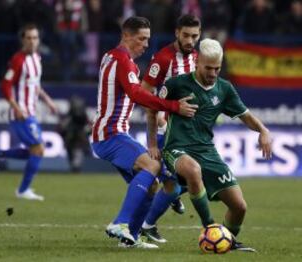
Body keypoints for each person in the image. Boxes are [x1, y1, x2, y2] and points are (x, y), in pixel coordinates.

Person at [90, 16, 197, 249]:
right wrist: (171, 106)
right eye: (141, 39)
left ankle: (131, 239)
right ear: (126, 35)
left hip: (114, 133)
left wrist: (157, 110)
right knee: (153, 166)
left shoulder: (112, 56)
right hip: (110, 133)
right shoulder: (122, 60)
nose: (146, 44)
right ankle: (120, 223)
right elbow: (136, 94)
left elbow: (132, 93)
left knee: (152, 184)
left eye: (148, 39)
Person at [160, 38, 272, 251]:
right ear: (197, 62)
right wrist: (152, 141)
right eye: (208, 68)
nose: (213, 73)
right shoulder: (176, 84)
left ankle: (226, 242)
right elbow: (152, 107)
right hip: (177, 148)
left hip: (206, 150)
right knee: (193, 170)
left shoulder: (224, 89)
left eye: (217, 68)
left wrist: (264, 131)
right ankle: (210, 227)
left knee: (239, 207)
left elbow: (246, 116)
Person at [140, 14, 201, 243]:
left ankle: (170, 197)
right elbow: (144, 95)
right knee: (174, 184)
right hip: (168, 131)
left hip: (189, 132)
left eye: (194, 36)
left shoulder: (196, 57)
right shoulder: (163, 59)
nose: (190, 40)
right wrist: (153, 141)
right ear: (177, 33)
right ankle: (146, 225)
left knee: (196, 178)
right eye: (186, 35)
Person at [0, 24, 58, 201]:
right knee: (38, 149)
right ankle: (23, 190)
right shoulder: (18, 60)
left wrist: (47, 100)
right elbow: (5, 86)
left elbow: (35, 84)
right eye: (29, 38)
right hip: (20, 113)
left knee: (35, 151)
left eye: (35, 38)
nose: (32, 41)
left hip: (30, 112)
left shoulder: (37, 58)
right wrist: (16, 108)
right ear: (23, 40)